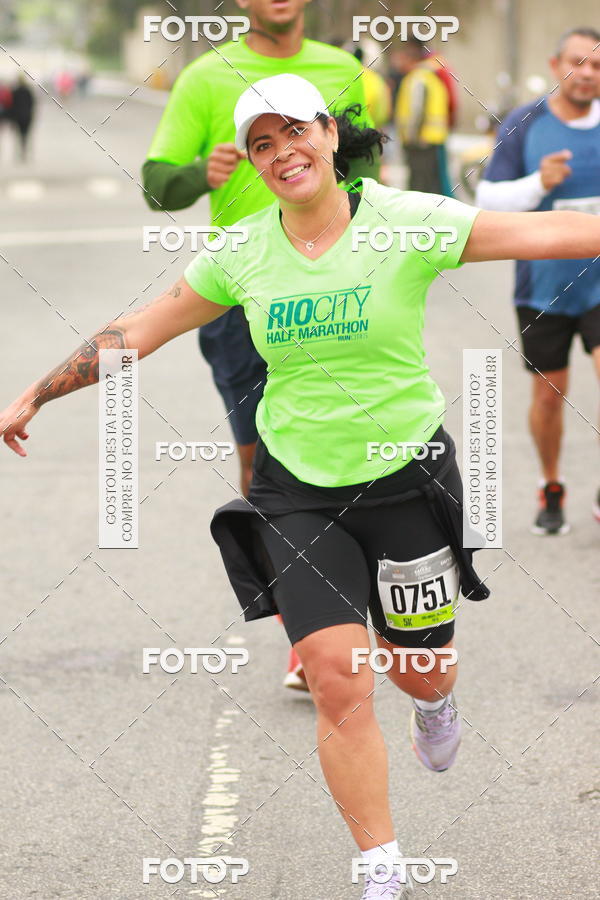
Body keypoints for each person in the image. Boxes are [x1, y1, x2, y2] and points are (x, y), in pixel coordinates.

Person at [3, 73, 599, 899]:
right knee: (335, 672)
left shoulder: (408, 222)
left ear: (327, 133)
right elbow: (144, 325)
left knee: (419, 669)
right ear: (253, 163)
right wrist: (38, 389)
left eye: (295, 132)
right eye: (262, 144)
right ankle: (382, 868)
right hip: (297, 489)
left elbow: (547, 233)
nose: (283, 152)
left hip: (403, 479)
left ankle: (434, 701)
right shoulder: (242, 250)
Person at [143, 0, 379, 691]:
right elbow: (159, 185)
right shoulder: (206, 78)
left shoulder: (341, 70)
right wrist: (200, 176)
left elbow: (367, 171)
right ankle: (307, 631)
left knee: (358, 445)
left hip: (340, 288)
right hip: (240, 299)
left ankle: (362, 598)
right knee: (263, 465)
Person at [476, 27, 600, 534]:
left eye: (596, 65)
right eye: (579, 62)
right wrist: (538, 184)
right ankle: (551, 484)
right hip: (542, 288)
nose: (588, 73)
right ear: (556, 66)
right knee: (550, 396)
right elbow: (487, 199)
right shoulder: (525, 122)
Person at [393, 37, 451, 195]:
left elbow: (417, 110)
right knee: (433, 187)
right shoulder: (430, 76)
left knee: (419, 189)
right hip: (432, 140)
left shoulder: (417, 78)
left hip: (420, 142)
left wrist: (410, 138)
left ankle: (420, 220)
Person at [10, 76, 35, 161]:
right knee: (25, 134)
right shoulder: (28, 91)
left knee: (19, 134)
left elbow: (12, 106)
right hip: (27, 116)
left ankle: (21, 151)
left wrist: (12, 117)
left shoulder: (15, 91)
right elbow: (32, 104)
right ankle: (23, 150)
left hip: (17, 116)